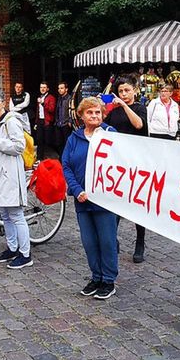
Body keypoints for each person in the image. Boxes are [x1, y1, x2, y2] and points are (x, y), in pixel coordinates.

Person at [61, 97, 118, 300]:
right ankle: (96, 276)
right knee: (89, 242)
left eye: (97, 113)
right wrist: (76, 190)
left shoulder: (110, 135)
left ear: (103, 115)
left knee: (107, 241)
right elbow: (66, 165)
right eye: (90, 113)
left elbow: (122, 162)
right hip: (82, 199)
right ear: (81, 115)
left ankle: (108, 280)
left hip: (105, 199)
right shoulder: (74, 138)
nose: (94, 116)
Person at [0, 91, 33, 268]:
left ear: (3, 102)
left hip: (10, 174)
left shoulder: (11, 121)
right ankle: (12, 248)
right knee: (4, 215)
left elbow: (19, 147)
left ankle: (25, 254)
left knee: (16, 215)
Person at [105, 80, 149, 263]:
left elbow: (139, 125)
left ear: (135, 91)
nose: (123, 93)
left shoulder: (139, 108)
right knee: (116, 202)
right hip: (118, 162)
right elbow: (103, 128)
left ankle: (140, 242)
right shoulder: (114, 112)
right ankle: (113, 239)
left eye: (127, 90)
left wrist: (124, 105)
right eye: (121, 91)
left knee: (136, 204)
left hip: (137, 163)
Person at [35, 82, 56, 148]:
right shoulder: (39, 97)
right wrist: (36, 122)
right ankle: (40, 157)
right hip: (39, 121)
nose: (42, 89)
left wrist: (43, 103)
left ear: (47, 89)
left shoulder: (51, 98)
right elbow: (38, 111)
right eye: (41, 87)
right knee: (39, 140)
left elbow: (51, 110)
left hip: (47, 121)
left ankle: (48, 157)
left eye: (44, 87)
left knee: (47, 141)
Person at [53, 82, 73, 147]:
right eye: (59, 88)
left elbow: (72, 110)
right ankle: (61, 157)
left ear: (66, 89)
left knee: (67, 143)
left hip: (66, 124)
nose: (60, 90)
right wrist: (56, 121)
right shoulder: (59, 98)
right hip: (58, 124)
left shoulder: (70, 98)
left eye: (62, 88)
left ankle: (66, 157)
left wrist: (70, 121)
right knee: (59, 143)